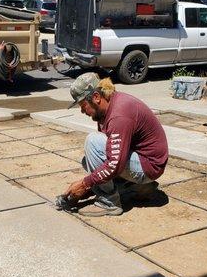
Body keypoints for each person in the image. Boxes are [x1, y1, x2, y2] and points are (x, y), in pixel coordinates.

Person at [61, 72, 169, 217]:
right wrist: (91, 187)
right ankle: (138, 187)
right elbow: (112, 151)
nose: (81, 111)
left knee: (93, 142)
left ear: (96, 97)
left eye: (83, 105)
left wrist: (85, 184)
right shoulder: (106, 108)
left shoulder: (119, 115)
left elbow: (114, 164)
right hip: (141, 160)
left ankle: (109, 203)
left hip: (149, 165)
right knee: (88, 161)